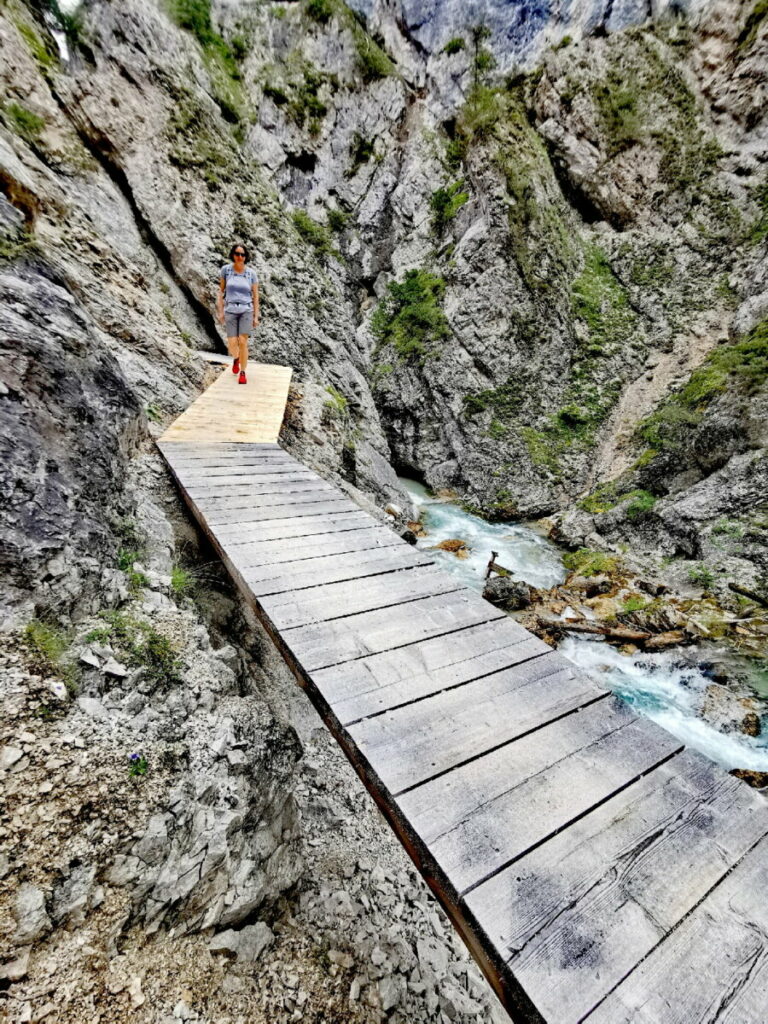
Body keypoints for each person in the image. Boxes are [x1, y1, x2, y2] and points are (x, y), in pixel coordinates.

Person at [216, 243, 259, 384]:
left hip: (246, 309)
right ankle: (236, 358)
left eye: (243, 254)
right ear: (233, 255)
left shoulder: (251, 274)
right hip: (230, 310)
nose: (240, 257)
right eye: (237, 254)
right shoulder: (226, 271)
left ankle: (243, 372)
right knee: (232, 343)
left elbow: (256, 296)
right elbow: (220, 292)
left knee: (243, 341)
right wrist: (220, 312)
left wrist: (256, 316)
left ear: (246, 257)